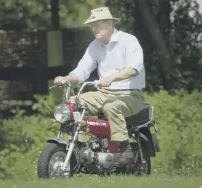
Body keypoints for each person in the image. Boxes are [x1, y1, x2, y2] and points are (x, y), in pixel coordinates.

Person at [54, 7, 145, 167]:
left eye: (97, 24)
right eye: (92, 25)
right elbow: (81, 72)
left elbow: (133, 68)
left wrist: (112, 78)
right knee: (73, 103)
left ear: (110, 23)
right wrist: (65, 78)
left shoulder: (129, 41)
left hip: (130, 95)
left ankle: (125, 149)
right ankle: (78, 145)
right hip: (103, 93)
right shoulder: (94, 46)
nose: (93, 28)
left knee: (111, 107)